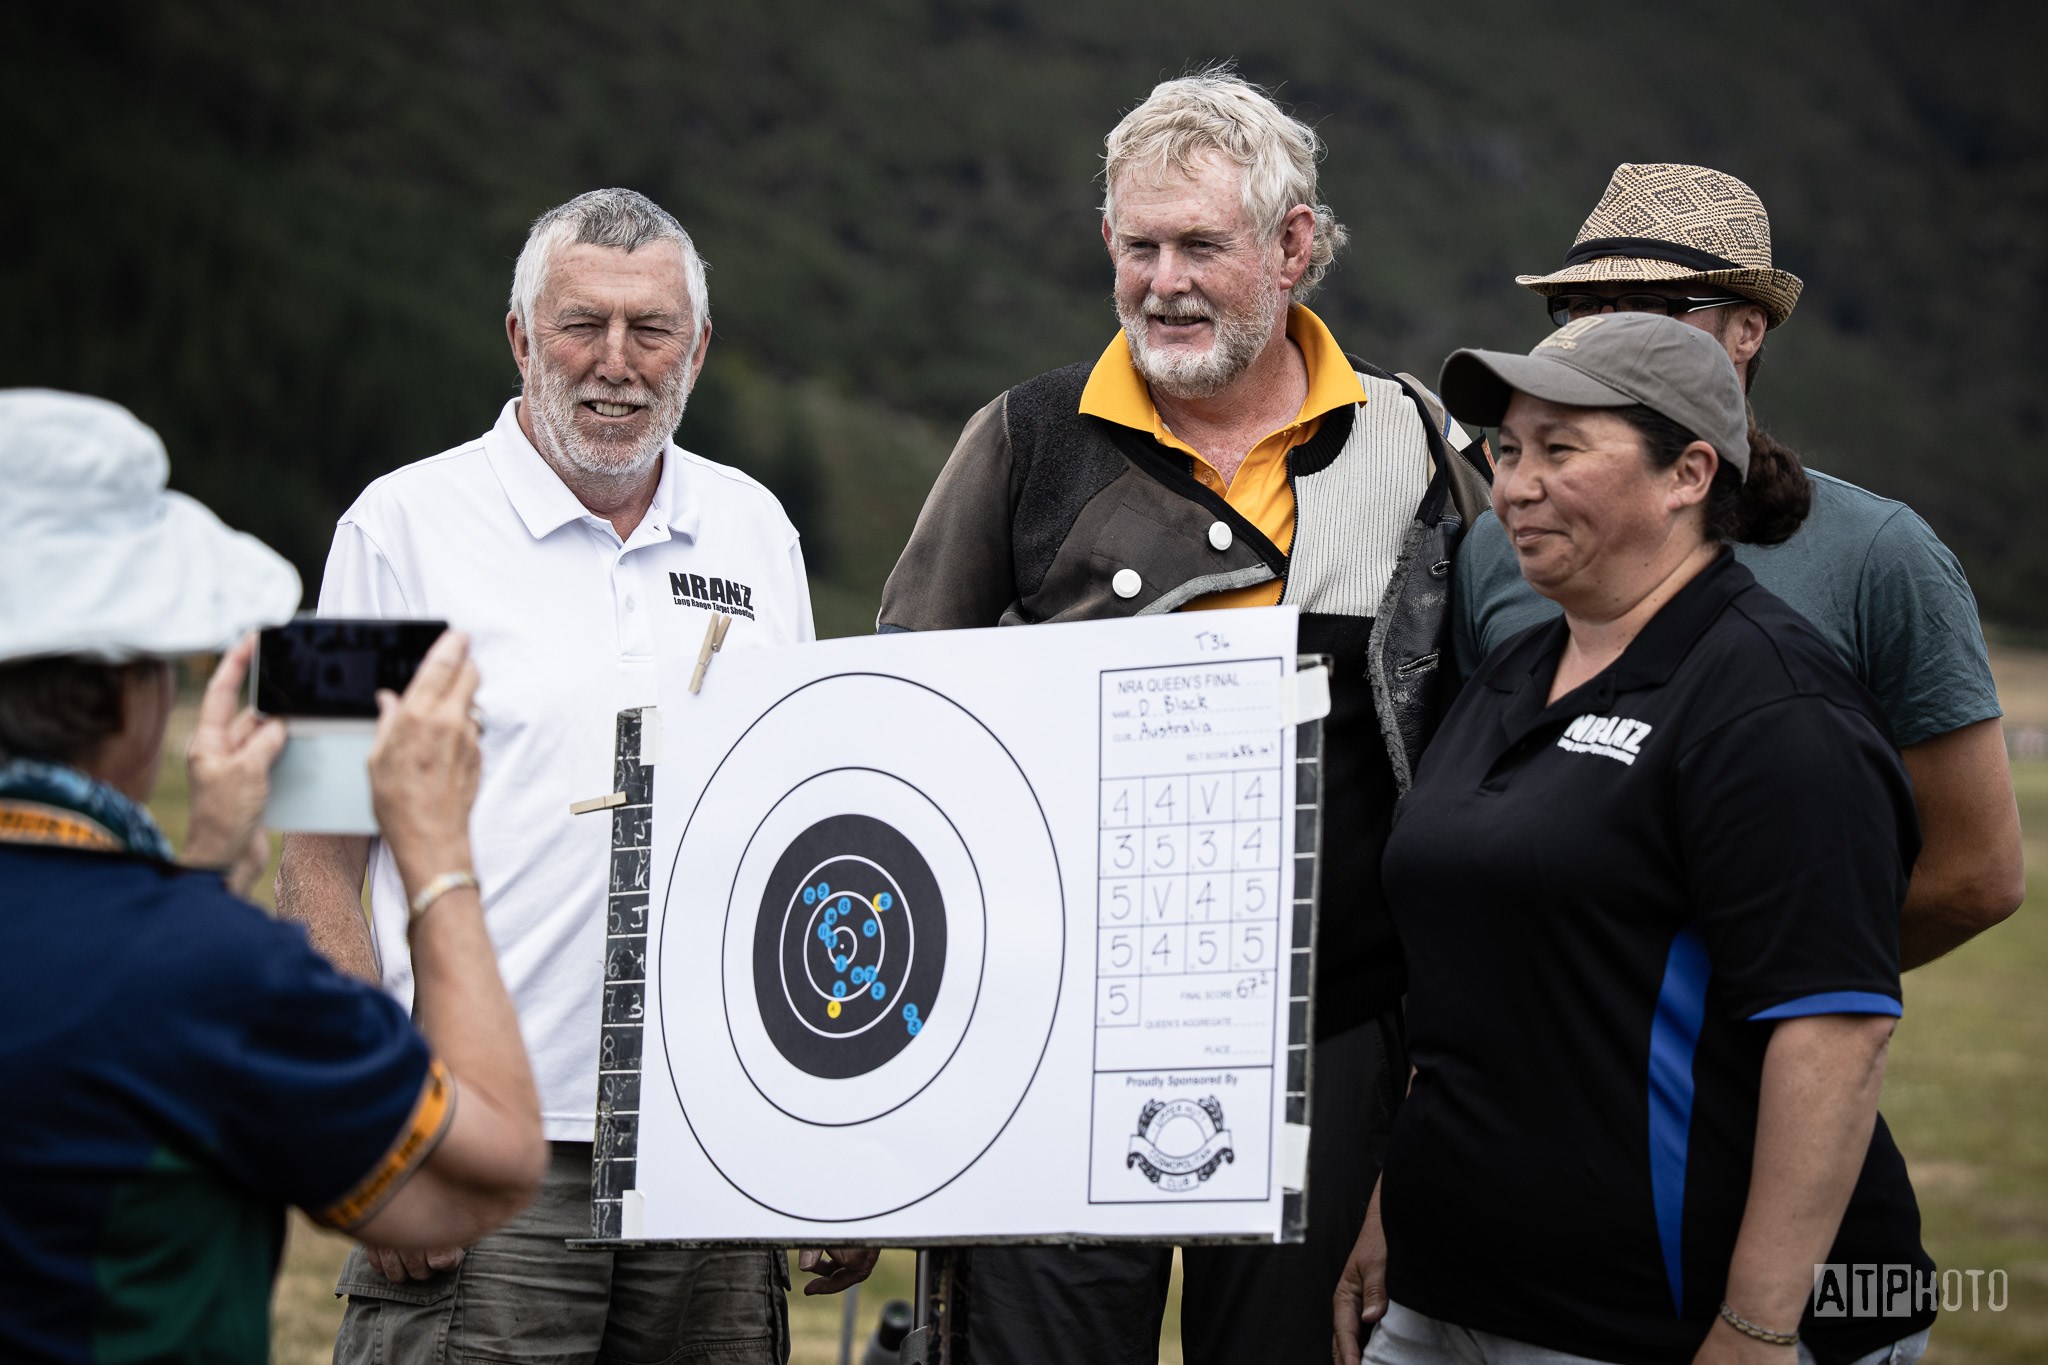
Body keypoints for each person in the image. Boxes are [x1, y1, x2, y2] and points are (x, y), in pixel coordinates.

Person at [879, 71, 1490, 1364]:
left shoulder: (1418, 447)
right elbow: (900, 736)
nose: (1164, 283)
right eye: (1139, 246)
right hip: (1057, 1047)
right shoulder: (1025, 441)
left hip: (1331, 1041)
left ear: (1292, 245)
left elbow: (1478, 756)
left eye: (1201, 245)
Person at [274, 189, 870, 1363]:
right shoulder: (390, 524)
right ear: (519, 336)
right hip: (475, 1145)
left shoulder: (758, 530)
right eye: (580, 324)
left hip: (711, 1152)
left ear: (696, 349)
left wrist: (823, 1136)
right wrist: (371, 1123)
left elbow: (804, 841)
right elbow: (312, 853)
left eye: (651, 330)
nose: (615, 362)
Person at [1332, 313, 1936, 1365]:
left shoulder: (1773, 707)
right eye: (1506, 450)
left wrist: (1756, 1327)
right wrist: (1395, 1206)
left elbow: (1835, 1035)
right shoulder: (1512, 675)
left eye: (1560, 449)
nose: (1514, 486)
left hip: (1646, 1321)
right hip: (1442, 1300)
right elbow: (1468, 981)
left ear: (1687, 474)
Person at [0, 389, 545, 1363]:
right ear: (132, 695)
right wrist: (435, 854)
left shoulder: (187, 949)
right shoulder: (213, 969)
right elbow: (487, 1164)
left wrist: (201, 872)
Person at [1453, 162, 2022, 968]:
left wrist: (1749, 994)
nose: (1603, 333)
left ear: (1748, 330)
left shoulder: (1879, 554)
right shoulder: (1501, 542)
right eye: (1581, 306)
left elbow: (1975, 874)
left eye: (1650, 305)